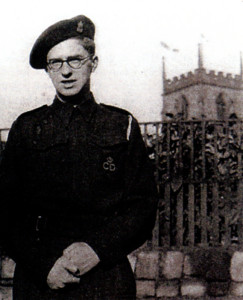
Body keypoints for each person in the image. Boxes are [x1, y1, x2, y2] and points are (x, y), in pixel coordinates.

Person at [0, 15, 158, 299]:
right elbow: (6, 210)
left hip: (105, 277)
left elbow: (142, 207)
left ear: (93, 63)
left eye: (75, 60)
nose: (66, 72)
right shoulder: (27, 128)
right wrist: (45, 265)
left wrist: (97, 249)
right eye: (56, 63)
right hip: (41, 280)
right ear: (48, 70)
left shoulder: (121, 125)